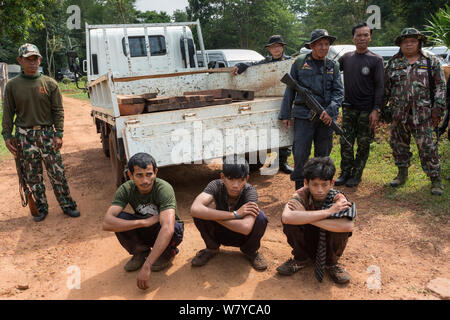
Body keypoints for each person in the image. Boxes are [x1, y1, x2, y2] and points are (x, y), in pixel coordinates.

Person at [1, 43, 79, 222]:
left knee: (57, 173)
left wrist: (59, 133)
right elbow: (8, 113)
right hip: (24, 137)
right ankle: (42, 208)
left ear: (40, 60)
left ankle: (68, 205)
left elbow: (58, 110)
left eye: (35, 58)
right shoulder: (12, 86)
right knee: (33, 176)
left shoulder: (50, 83)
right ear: (20, 60)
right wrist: (7, 136)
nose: (32, 62)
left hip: (47, 135)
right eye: (28, 59)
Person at [102, 153, 184, 290]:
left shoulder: (164, 188)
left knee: (174, 227)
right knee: (119, 219)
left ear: (156, 172)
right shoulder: (126, 189)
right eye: (139, 175)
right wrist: (143, 223)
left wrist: (148, 266)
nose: (145, 180)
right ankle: (141, 252)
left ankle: (166, 253)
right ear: (130, 175)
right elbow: (107, 223)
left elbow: (168, 228)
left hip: (163, 231)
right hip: (146, 226)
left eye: (149, 174)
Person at [382, 28, 446, 196]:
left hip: (423, 114)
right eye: (405, 41)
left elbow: (440, 86)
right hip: (398, 114)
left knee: (427, 148)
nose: (409, 43)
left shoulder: (431, 62)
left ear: (419, 43)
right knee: (398, 146)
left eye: (412, 41)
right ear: (400, 44)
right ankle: (402, 174)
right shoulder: (393, 64)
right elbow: (385, 89)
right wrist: (382, 109)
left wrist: (438, 109)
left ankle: (435, 180)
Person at [279, 29, 344, 190]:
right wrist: (286, 114)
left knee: (323, 155)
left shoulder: (333, 65)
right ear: (312, 46)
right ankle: (300, 189)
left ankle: (319, 188)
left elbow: (339, 92)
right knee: (300, 153)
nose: (324, 47)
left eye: (326, 44)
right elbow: (290, 90)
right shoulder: (300, 62)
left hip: (326, 118)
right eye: (320, 44)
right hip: (303, 117)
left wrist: (330, 110)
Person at [276, 157, 356, 284]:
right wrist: (328, 212)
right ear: (306, 183)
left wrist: (305, 216)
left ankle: (331, 263)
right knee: (290, 223)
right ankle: (301, 259)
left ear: (332, 183)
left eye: (324, 185)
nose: (320, 190)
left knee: (339, 228)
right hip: (307, 238)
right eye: (314, 184)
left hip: (328, 242)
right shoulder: (301, 194)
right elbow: (286, 217)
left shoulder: (339, 199)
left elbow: (347, 226)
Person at [190, 156, 268, 270]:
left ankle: (250, 251)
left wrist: (213, 215)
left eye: (240, 180)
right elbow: (195, 209)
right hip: (219, 233)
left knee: (260, 217)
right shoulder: (215, 185)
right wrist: (235, 214)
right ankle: (212, 248)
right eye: (231, 179)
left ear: (246, 179)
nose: (235, 185)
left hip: (241, 236)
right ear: (222, 177)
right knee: (200, 212)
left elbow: (245, 228)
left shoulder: (250, 191)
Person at [232, 35, 293, 174]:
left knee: (286, 130)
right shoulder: (266, 62)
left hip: (287, 99)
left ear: (282, 47)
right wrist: (240, 66)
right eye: (273, 47)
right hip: (270, 100)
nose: (276, 49)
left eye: (278, 46)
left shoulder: (290, 62)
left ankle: (283, 162)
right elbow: (252, 65)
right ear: (269, 49)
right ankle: (271, 160)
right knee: (271, 131)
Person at [335, 22, 384, 187]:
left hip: (367, 110)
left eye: (365, 35)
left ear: (370, 37)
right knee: (345, 143)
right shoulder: (346, 58)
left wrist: (376, 109)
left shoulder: (376, 60)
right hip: (348, 108)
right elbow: (331, 71)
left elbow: (380, 86)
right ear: (353, 38)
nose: (362, 38)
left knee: (363, 144)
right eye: (359, 35)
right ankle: (345, 172)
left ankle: (356, 174)